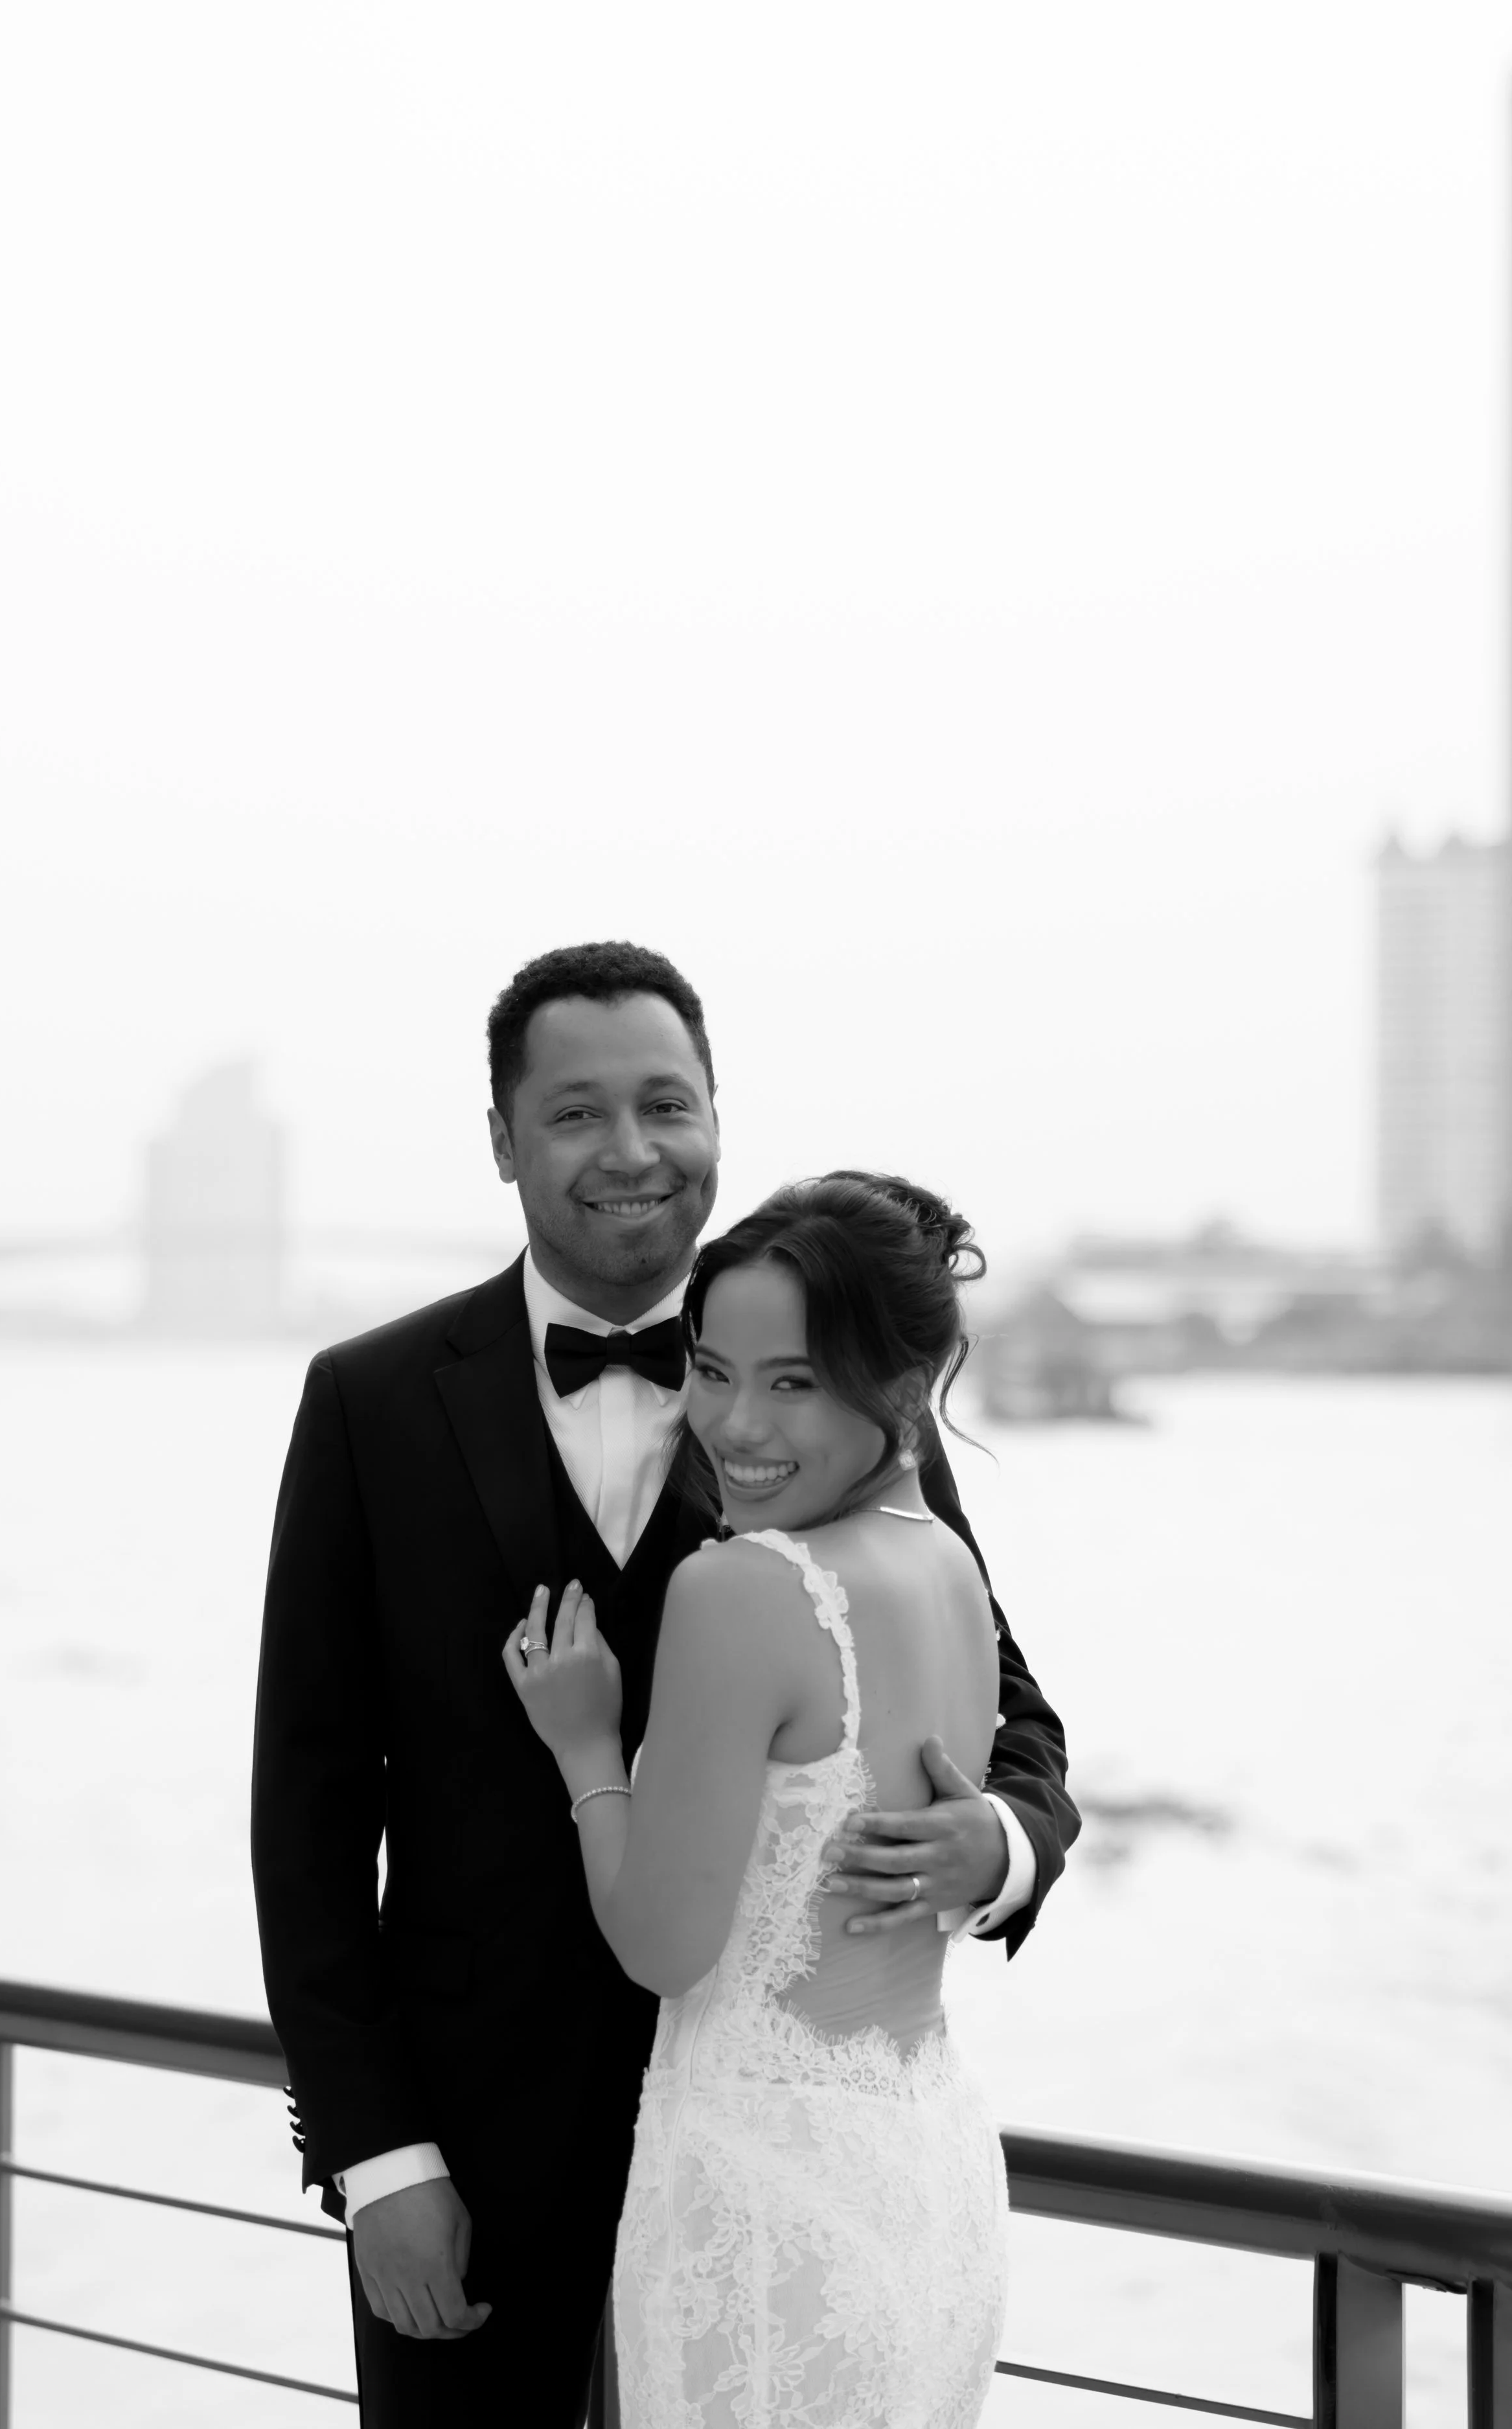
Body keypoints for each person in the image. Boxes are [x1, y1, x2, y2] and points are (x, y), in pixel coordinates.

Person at [251, 941, 1077, 2428]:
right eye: (575, 1111)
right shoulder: (368, 1400)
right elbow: (304, 1815)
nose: (630, 1150)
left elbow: (1004, 1702)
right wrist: (377, 2157)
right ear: (502, 1137)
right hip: (472, 2158)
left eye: (665, 1103)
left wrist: (999, 1845)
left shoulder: (839, 1378)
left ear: (714, 1116)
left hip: (773, 2157)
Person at [507, 1171, 1011, 2426]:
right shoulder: (951, 1569)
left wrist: (584, 1745)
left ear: (902, 1385)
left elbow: (662, 1944)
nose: (734, 1424)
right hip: (928, 2172)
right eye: (714, 1371)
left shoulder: (738, 1586)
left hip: (762, 2190)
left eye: (793, 1382)